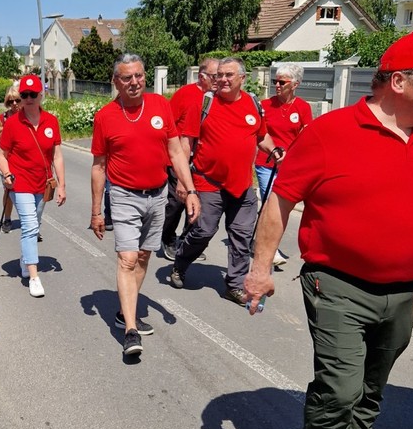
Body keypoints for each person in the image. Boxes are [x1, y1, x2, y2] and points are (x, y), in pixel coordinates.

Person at [244, 32, 413, 429]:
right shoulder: (331, 132)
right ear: (400, 81)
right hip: (338, 284)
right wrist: (260, 268)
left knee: (372, 385)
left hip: (403, 289)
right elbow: (280, 199)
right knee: (340, 387)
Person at [90, 54, 200, 358]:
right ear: (116, 81)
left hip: (158, 194)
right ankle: (130, 330)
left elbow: (175, 152)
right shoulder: (105, 116)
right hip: (124, 195)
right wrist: (96, 211)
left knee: (142, 256)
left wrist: (190, 190)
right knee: (127, 259)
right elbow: (99, 166)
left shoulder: (160, 105)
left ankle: (124, 310)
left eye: (139, 75)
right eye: (127, 77)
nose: (135, 82)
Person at [171, 57, 283, 306]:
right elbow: (185, 145)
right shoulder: (204, 103)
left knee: (241, 236)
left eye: (228, 75)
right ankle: (180, 263)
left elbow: (261, 136)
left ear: (242, 78)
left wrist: (275, 151)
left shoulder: (253, 104)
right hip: (208, 182)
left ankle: (234, 285)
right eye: (218, 75)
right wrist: (183, 182)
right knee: (203, 231)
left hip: (242, 186)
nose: (222, 79)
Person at [0, 74, 65, 298]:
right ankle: (34, 277)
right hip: (21, 183)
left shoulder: (51, 121)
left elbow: (57, 156)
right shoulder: (12, 123)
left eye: (32, 95)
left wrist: (62, 185)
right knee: (29, 226)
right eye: (23, 95)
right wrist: (7, 173)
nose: (27, 99)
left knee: (35, 223)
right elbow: (2, 154)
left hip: (43, 183)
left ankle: (26, 259)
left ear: (40, 95)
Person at [159, 58, 219, 259]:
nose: (218, 80)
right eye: (215, 76)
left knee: (196, 202)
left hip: (201, 162)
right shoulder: (188, 95)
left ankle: (186, 243)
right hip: (179, 158)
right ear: (202, 76)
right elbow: (170, 128)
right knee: (176, 202)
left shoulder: (215, 97)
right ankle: (167, 239)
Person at [255, 63, 313, 269]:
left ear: (295, 84)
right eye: (275, 81)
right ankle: (270, 249)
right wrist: (274, 152)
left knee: (281, 207)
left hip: (290, 166)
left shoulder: (303, 107)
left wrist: (292, 155)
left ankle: (261, 236)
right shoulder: (264, 105)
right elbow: (259, 135)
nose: (277, 85)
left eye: (282, 82)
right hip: (266, 163)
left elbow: (306, 137)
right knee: (272, 204)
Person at [0, 87, 21, 233]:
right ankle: (7, 218)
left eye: (17, 100)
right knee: (9, 191)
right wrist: (6, 130)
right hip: (7, 160)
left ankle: (31, 223)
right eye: (11, 101)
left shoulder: (27, 115)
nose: (14, 104)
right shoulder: (3, 118)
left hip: (23, 160)